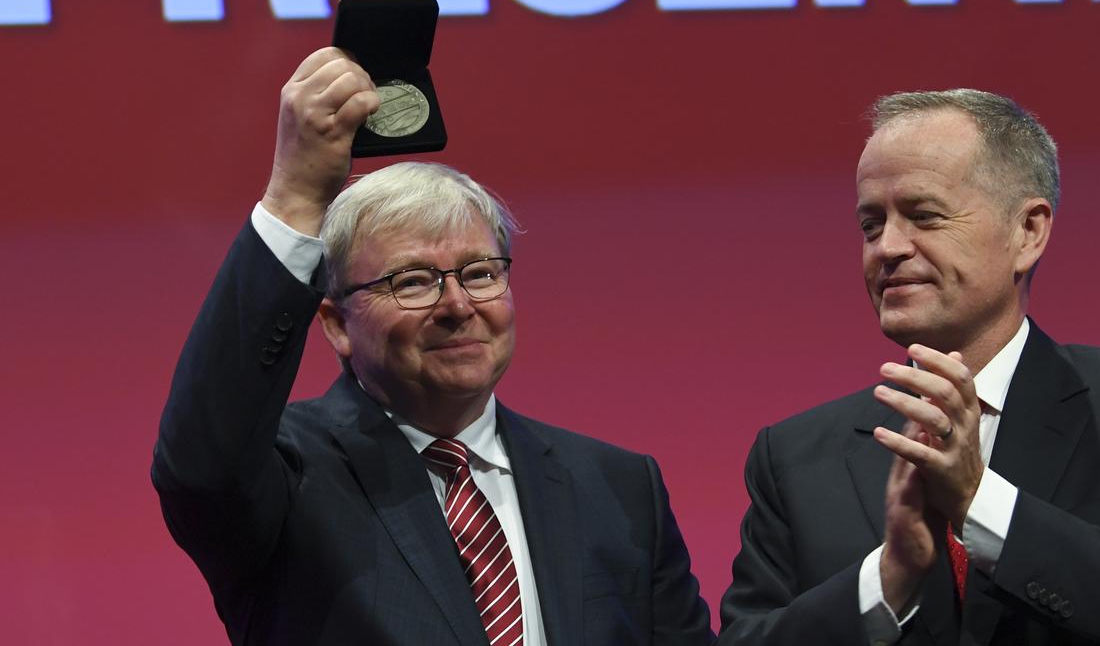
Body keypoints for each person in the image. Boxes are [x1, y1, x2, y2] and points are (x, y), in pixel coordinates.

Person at [151, 47, 714, 646]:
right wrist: (295, 199)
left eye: (480, 273)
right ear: (337, 324)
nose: (457, 305)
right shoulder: (288, 476)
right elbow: (201, 468)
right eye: (412, 281)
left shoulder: (619, 486)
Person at [717, 89, 1100, 645]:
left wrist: (982, 504)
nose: (888, 248)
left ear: (1028, 233)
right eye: (871, 225)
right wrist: (887, 580)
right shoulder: (795, 457)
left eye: (924, 216)